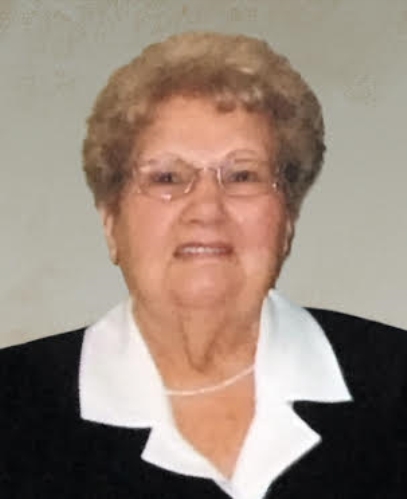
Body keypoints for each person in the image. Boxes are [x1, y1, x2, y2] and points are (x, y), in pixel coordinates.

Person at [1, 31, 406, 499]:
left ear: (288, 219)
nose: (207, 209)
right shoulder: (13, 405)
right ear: (111, 222)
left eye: (243, 175)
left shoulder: (394, 383)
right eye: (167, 177)